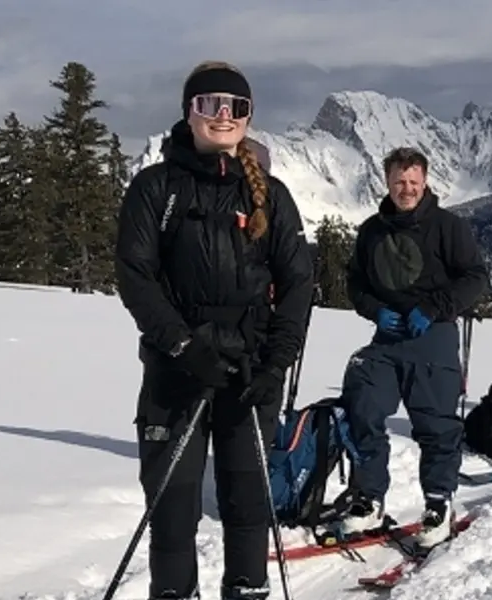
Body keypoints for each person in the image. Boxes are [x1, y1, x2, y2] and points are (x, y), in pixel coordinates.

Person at [114, 60, 314, 600]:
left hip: (248, 373)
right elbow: (135, 276)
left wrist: (278, 363)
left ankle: (246, 591)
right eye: (209, 104)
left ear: (248, 118)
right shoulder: (156, 188)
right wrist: (181, 345)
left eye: (236, 107)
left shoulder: (269, 195)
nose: (222, 116)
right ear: (189, 112)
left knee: (248, 505)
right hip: (175, 370)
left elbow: (299, 283)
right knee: (173, 511)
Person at [326, 147, 490, 548]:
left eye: (414, 182)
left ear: (426, 181)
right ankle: (368, 498)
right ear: (387, 181)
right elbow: (356, 284)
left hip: (432, 332)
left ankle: (438, 502)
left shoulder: (448, 227)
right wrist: (375, 310)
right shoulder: (371, 231)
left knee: (435, 423)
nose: (407, 189)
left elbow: (476, 278)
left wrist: (434, 308)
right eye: (400, 181)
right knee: (362, 404)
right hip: (388, 335)